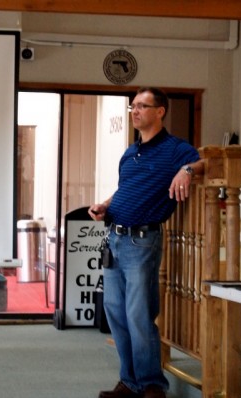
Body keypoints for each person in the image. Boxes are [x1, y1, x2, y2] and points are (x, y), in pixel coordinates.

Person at [89, 87, 204, 398]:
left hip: (143, 242)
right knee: (115, 313)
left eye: (142, 106)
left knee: (139, 315)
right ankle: (130, 381)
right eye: (133, 106)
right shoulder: (130, 152)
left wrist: (186, 171)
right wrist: (104, 205)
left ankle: (152, 385)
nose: (135, 111)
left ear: (160, 111)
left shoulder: (174, 149)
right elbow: (124, 189)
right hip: (114, 238)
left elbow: (201, 161)